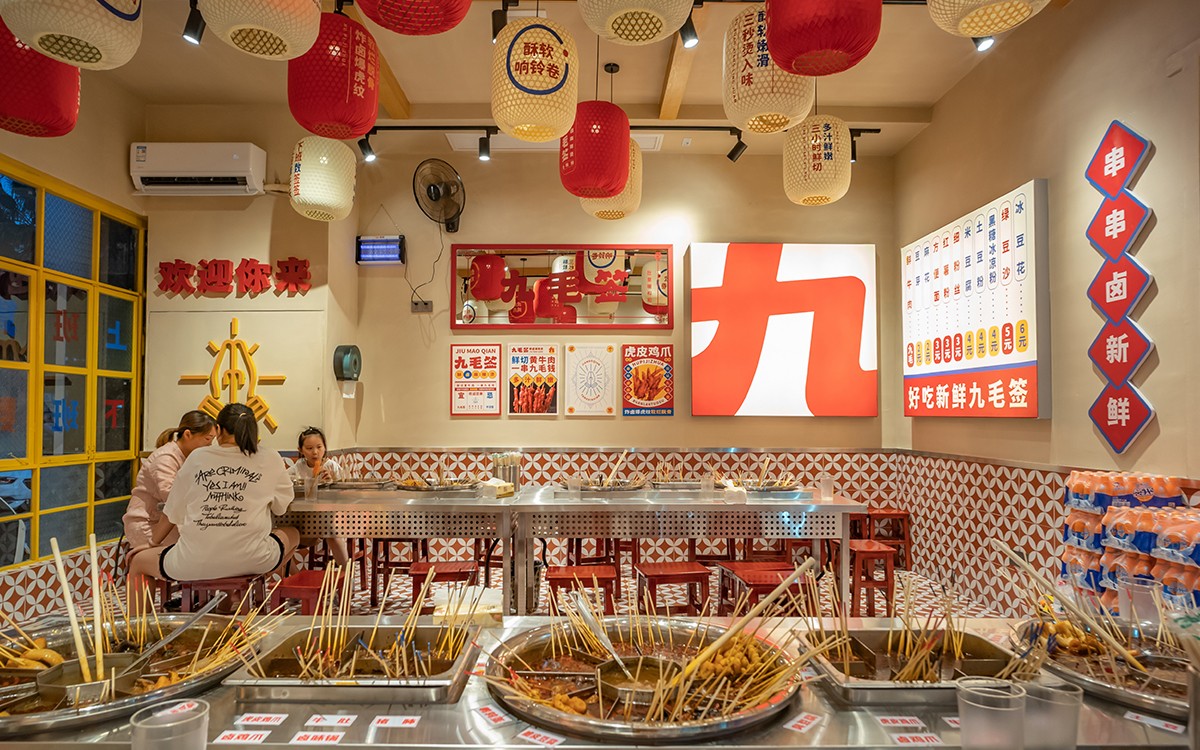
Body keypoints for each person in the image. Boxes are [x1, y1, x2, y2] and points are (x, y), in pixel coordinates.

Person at [128, 403, 299, 590]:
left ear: (218, 429)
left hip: (193, 562)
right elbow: (281, 508)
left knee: (138, 562)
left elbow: (172, 512)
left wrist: (152, 543)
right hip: (254, 559)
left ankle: (141, 617)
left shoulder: (196, 458)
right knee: (293, 534)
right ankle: (243, 592)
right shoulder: (270, 457)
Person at [122, 410, 217, 556]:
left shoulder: (190, 457)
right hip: (148, 525)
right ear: (188, 434)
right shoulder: (165, 458)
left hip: (167, 525)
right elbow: (173, 498)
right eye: (207, 439)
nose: (209, 445)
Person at [288, 427, 348, 566]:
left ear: (325, 447)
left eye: (319, 447)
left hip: (330, 515)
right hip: (303, 518)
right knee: (281, 537)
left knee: (332, 533)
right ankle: (293, 576)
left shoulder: (332, 466)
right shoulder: (298, 467)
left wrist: (332, 482)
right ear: (301, 450)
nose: (315, 452)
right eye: (309, 448)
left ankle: (346, 572)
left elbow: (344, 491)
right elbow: (284, 483)